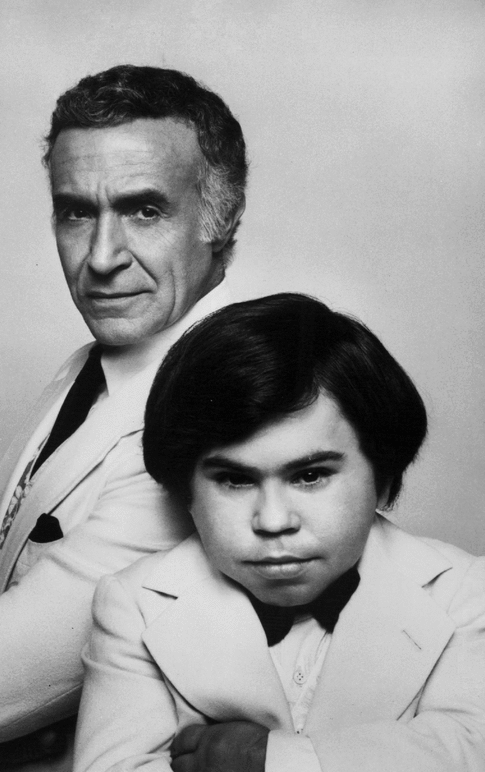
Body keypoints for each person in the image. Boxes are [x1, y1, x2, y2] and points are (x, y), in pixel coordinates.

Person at [0, 64, 247, 771]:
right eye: (77, 212)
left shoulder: (213, 426)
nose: (101, 259)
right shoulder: (98, 358)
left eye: (145, 211)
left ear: (220, 223)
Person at [74, 293, 485, 772]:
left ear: (384, 476)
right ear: (185, 490)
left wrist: (264, 760)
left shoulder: (465, 592)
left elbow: (473, 748)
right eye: (234, 479)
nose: (272, 521)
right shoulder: (132, 604)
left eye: (310, 476)